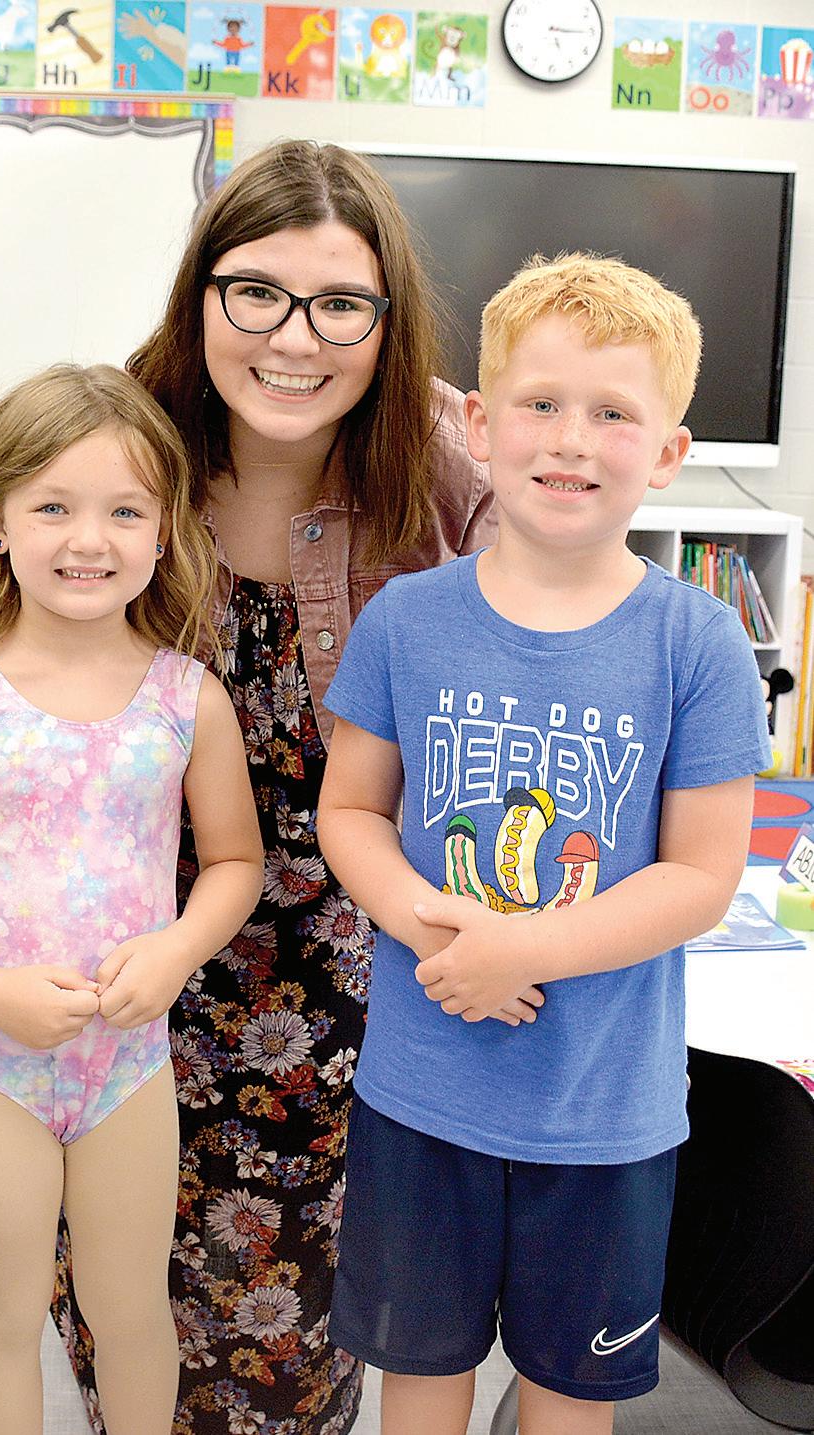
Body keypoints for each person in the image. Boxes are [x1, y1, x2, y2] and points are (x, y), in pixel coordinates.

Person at [0, 141, 540, 1435]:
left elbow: (550, 636)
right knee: (113, 1305)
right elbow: (18, 615)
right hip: (104, 985)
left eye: (339, 303)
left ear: (386, 318)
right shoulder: (122, 434)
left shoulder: (442, 459)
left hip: (338, 986)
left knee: (287, 1338)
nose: (294, 337)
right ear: (202, 293)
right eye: (256, 292)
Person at [317, 253, 771, 1435]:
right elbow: (349, 812)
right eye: (539, 403)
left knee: (571, 1393)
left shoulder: (698, 643)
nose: (570, 439)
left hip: (603, 1115)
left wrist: (526, 949)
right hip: (419, 1096)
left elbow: (700, 876)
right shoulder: (405, 619)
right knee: (419, 1376)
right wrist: (436, 932)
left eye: (612, 413)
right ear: (478, 425)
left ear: (666, 450)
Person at [0, 364, 263, 1435]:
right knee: (2, 1311)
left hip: (128, 1066)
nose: (90, 539)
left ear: (165, 530)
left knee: (131, 1311)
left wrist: (175, 951)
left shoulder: (187, 698)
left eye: (125, 510)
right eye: (53, 508)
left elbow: (233, 862)